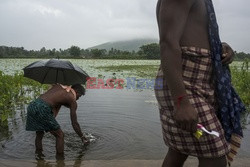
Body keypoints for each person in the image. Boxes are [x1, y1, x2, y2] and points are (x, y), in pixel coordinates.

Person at [155, 0, 245, 167]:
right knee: (215, 153)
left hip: (200, 83)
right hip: (183, 84)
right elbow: (168, 42)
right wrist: (181, 102)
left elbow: (194, 35)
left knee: (179, 150)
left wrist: (221, 48)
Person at [26, 84, 89, 159]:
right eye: (79, 96)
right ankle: (60, 160)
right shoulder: (72, 99)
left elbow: (53, 101)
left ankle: (39, 156)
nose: (78, 99)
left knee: (39, 133)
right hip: (42, 108)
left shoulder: (58, 87)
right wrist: (82, 137)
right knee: (60, 135)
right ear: (77, 92)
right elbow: (74, 123)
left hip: (32, 105)